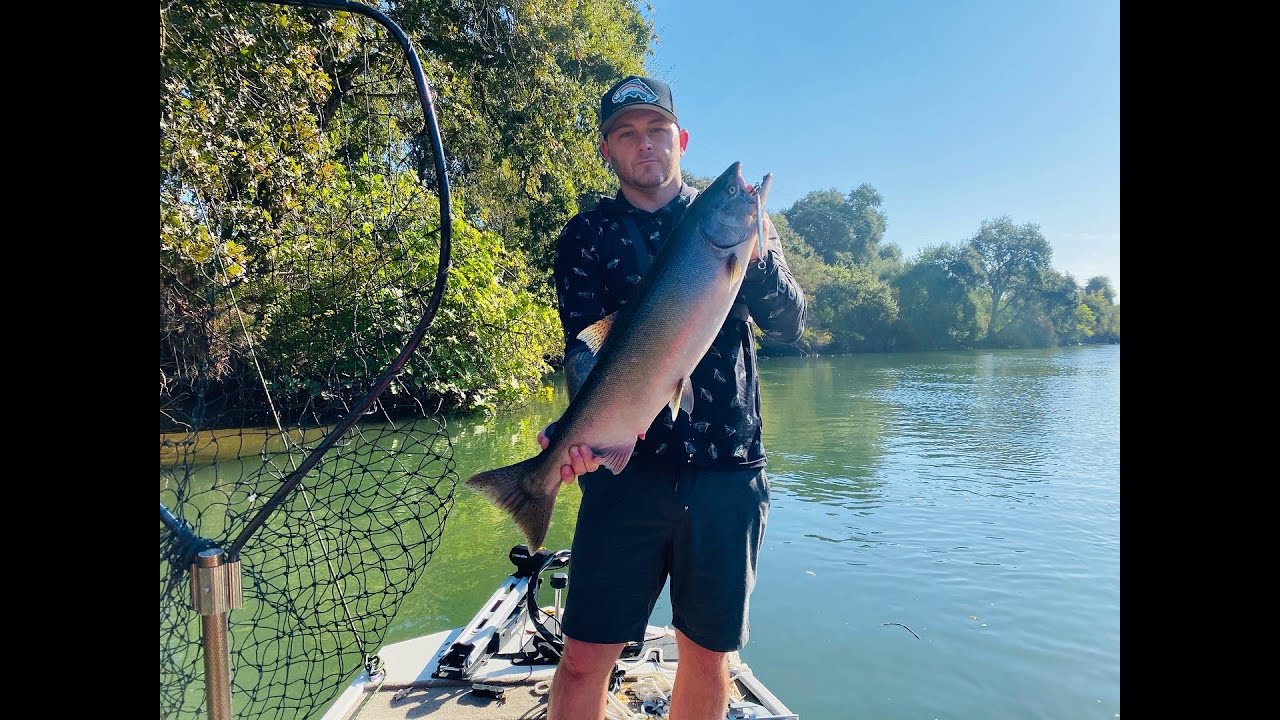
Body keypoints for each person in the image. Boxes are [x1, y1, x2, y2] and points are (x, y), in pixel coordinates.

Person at [540, 75, 806, 720]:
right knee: (581, 660)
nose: (645, 145)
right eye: (627, 134)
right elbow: (584, 348)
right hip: (625, 470)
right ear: (607, 150)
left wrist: (758, 249)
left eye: (657, 130)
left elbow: (791, 324)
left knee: (708, 657)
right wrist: (580, 427)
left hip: (726, 467)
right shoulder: (585, 238)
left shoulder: (737, 229)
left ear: (680, 140)